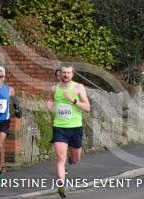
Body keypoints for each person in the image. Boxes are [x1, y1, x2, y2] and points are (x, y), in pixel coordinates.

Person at [47, 65, 90, 198]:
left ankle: (72, 159)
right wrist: (49, 104)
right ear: (60, 73)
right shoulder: (54, 89)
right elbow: (50, 99)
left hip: (75, 128)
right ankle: (61, 186)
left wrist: (73, 100)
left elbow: (87, 107)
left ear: (72, 74)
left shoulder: (78, 88)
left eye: (68, 72)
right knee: (61, 158)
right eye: (63, 72)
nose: (66, 75)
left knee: (76, 159)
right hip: (59, 127)